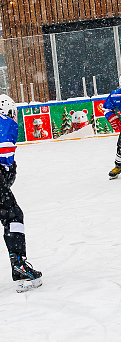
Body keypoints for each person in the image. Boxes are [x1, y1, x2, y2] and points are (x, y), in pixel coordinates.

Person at [0, 94, 42, 292]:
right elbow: (5, 161)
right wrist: (9, 170)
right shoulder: (7, 123)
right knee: (13, 216)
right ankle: (19, 265)